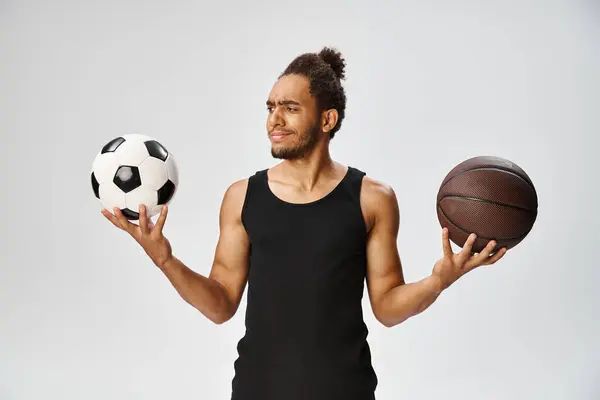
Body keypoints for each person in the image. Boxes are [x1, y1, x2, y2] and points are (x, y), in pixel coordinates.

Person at [101, 47, 507, 400]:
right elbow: (221, 304)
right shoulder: (242, 197)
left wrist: (440, 278)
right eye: (270, 107)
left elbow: (386, 307)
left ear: (327, 119)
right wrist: (164, 258)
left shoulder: (372, 198)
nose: (274, 120)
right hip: (257, 392)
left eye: (290, 108)